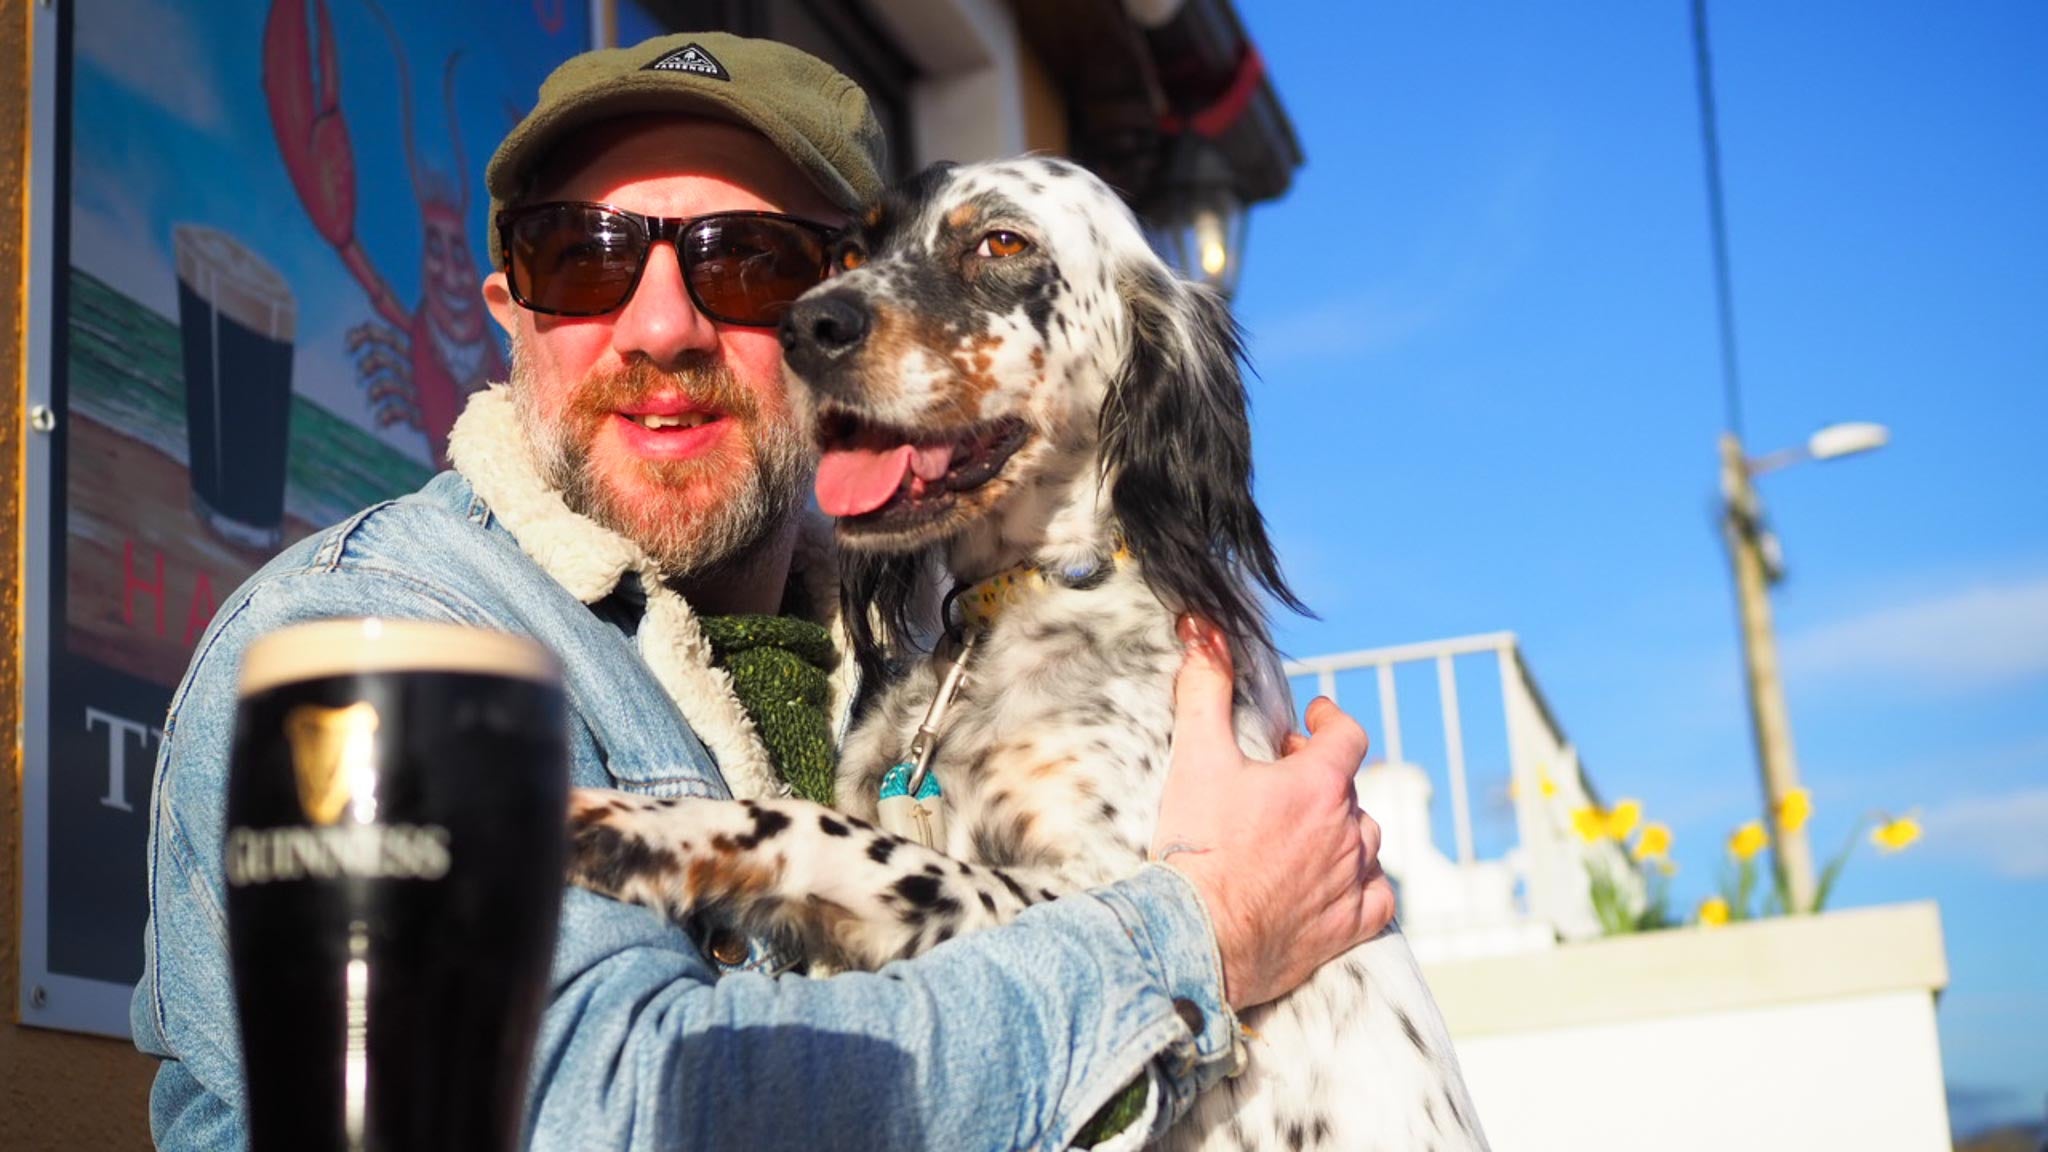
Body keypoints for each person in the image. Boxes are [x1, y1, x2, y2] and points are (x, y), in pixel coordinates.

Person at [132, 31, 1395, 1150]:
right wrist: (1204, 934)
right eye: (585, 257)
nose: (663, 327)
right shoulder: (366, 645)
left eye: (747, 263)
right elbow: (590, 1118)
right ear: (510, 311)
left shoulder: (905, 656)